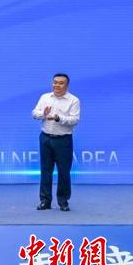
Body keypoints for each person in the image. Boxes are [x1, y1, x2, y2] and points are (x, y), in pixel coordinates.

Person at [32, 73, 80, 212]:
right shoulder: (45, 97)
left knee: (64, 172)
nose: (57, 85)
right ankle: (45, 201)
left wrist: (59, 118)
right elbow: (34, 113)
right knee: (45, 170)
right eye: (55, 82)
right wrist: (43, 114)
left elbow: (75, 119)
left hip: (63, 140)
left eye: (61, 83)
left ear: (67, 85)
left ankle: (63, 201)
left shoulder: (73, 100)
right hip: (45, 138)